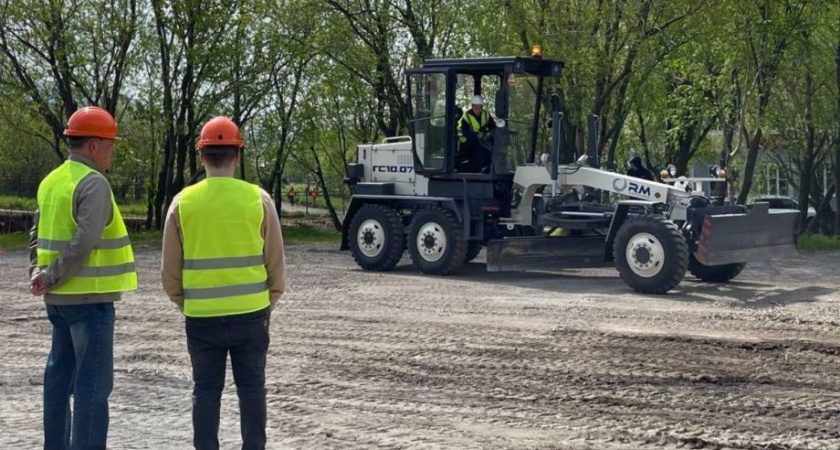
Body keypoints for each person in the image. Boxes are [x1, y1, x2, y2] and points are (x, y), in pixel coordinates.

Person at [161, 116, 285, 450]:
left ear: (201, 156)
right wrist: (266, 301)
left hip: (201, 317)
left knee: (205, 391)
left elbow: (169, 274)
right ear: (237, 156)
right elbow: (276, 264)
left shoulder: (182, 202)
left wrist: (188, 303)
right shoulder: (259, 199)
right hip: (252, 315)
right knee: (252, 389)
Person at [29, 106, 138, 449]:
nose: (112, 152)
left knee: (58, 380)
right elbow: (83, 243)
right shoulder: (94, 183)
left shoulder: (51, 181)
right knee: (92, 388)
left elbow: (35, 234)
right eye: (110, 145)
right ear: (93, 145)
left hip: (58, 302)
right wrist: (50, 276)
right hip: (90, 302)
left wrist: (38, 273)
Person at [457, 95, 496, 173]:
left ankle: (487, 168)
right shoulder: (466, 117)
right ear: (472, 107)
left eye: (480, 108)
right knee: (477, 151)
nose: (478, 110)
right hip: (468, 141)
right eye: (476, 108)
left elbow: (492, 126)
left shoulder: (486, 114)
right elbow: (465, 132)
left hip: (483, 140)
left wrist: (485, 130)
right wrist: (476, 135)